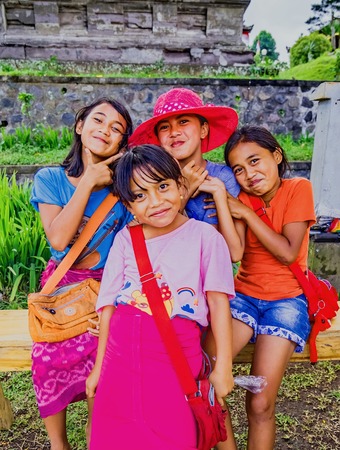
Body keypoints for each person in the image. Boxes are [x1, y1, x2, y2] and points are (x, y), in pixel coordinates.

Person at [86, 144, 236, 450]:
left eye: (163, 186)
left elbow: (219, 304)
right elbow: (109, 306)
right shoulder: (127, 238)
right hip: (120, 358)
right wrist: (99, 366)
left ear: (181, 186)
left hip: (176, 358)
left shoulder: (206, 238)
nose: (155, 202)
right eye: (139, 196)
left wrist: (224, 368)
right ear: (129, 206)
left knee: (175, 437)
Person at [202, 126, 316, 450]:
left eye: (255, 161)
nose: (249, 174)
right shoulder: (240, 198)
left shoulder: (298, 189)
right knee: (205, 376)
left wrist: (247, 215)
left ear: (276, 156)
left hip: (287, 302)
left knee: (259, 402)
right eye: (239, 169)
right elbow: (236, 252)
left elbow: (287, 251)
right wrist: (228, 205)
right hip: (244, 298)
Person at [30, 97, 133, 450]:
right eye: (98, 120)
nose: (105, 130)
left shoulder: (125, 190)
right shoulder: (51, 179)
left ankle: (97, 441)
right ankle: (60, 445)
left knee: (100, 367)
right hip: (62, 288)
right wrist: (88, 181)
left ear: (122, 143)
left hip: (107, 288)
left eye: (116, 128)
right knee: (44, 360)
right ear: (80, 125)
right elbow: (59, 240)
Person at [129, 87, 240, 233]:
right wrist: (185, 191)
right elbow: (153, 236)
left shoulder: (223, 178)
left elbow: (218, 246)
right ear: (158, 140)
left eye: (183, 121)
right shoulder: (150, 181)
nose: (174, 132)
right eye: (164, 127)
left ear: (203, 130)